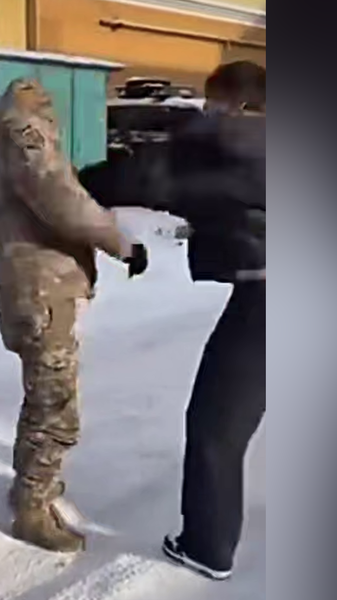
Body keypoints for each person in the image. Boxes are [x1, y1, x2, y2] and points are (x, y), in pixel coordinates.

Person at [0, 78, 132, 552]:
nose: (52, 117)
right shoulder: (25, 134)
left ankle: (31, 485)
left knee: (41, 394)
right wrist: (122, 243)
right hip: (41, 286)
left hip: (27, 285)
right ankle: (32, 510)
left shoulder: (2, 139)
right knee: (55, 405)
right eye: (48, 108)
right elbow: (62, 201)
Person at [159, 61, 266, 580]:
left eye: (213, 103)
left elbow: (149, 179)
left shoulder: (247, 145)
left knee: (215, 426)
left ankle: (207, 547)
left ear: (239, 106)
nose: (206, 112)